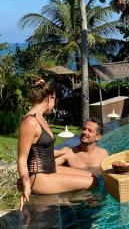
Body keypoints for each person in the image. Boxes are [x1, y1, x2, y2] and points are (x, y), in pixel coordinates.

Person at [18, 78, 98, 212]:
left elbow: (42, 150)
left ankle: (67, 199)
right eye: (55, 100)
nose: (54, 104)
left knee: (92, 176)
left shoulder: (40, 117)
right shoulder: (30, 122)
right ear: (50, 98)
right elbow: (22, 157)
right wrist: (25, 183)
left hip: (50, 169)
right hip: (39, 177)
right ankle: (64, 201)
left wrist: (63, 152)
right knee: (93, 183)